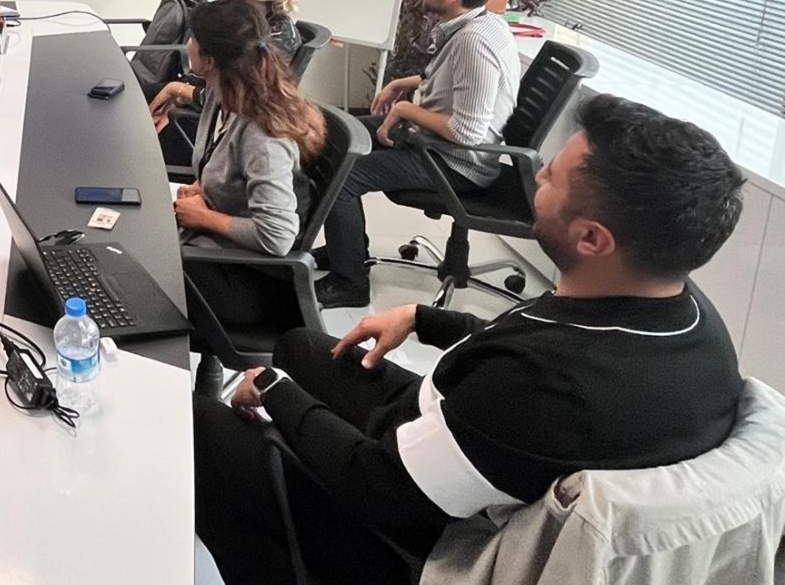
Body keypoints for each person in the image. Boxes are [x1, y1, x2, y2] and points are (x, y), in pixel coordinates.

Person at [194, 94, 746, 585]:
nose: (537, 179)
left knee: (205, 426)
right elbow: (533, 348)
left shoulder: (547, 389)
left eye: (551, 177)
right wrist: (425, 319)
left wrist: (275, 390)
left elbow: (377, 489)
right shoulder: (684, 315)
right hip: (457, 434)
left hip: (414, 540)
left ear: (592, 238)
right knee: (301, 345)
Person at [316, 0, 519, 308]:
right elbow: (451, 82)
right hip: (435, 142)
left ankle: (350, 283)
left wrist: (405, 111)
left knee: (342, 175)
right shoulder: (481, 21)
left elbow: (467, 132)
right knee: (334, 136)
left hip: (454, 161)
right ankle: (345, 247)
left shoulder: (474, 43)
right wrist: (402, 84)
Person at [163, 0, 322, 262]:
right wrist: (203, 188)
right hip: (205, 245)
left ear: (209, 60)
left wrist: (204, 217)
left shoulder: (263, 136)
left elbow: (278, 236)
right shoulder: (220, 94)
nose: (188, 45)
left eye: (193, 39)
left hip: (234, 264)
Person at [148, 0, 304, 151]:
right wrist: (177, 95)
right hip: (202, 107)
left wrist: (179, 92)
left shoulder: (272, 39)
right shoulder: (243, 22)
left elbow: (236, 100)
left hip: (213, 125)